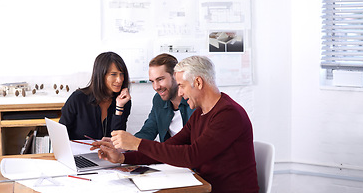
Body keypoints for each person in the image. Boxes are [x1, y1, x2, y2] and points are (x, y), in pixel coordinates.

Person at [93, 55, 259, 193]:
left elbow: (192, 156)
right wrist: (123, 157)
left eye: (181, 86)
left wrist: (136, 143)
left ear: (198, 82)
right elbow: (170, 146)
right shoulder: (201, 113)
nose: (179, 92)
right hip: (203, 185)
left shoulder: (228, 114)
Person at [59, 51, 131, 140]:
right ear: (101, 75)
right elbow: (60, 136)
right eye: (113, 74)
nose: (120, 80)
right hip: (78, 153)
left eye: (122, 74)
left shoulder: (124, 102)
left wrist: (119, 107)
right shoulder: (77, 99)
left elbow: (117, 140)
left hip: (109, 153)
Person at [134, 53, 194, 142]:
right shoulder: (158, 99)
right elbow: (148, 131)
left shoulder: (194, 101)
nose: (156, 87)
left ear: (175, 75)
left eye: (160, 79)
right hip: (169, 153)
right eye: (152, 81)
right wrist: (123, 145)